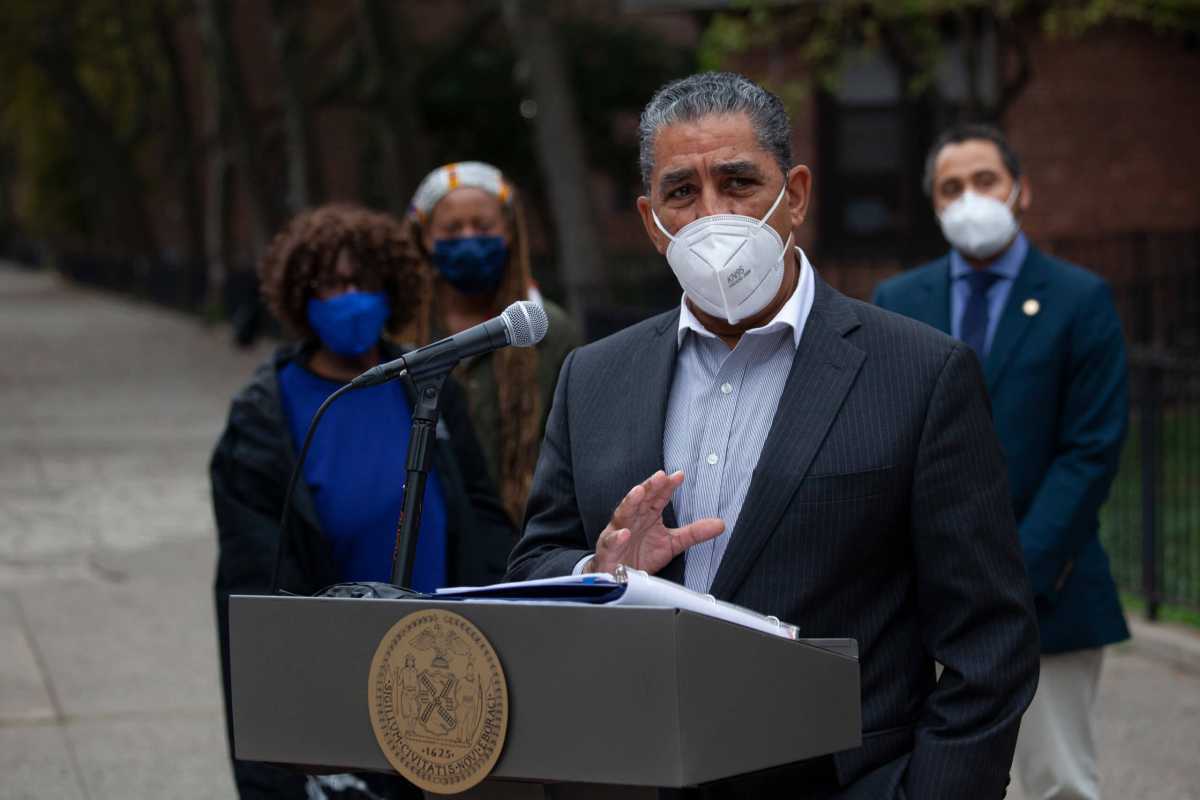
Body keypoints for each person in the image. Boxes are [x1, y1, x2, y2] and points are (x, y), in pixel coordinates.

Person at [505, 72, 1040, 799]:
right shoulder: (594, 376)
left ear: (796, 195)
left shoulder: (918, 373)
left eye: (738, 182)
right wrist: (594, 572)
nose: (712, 214)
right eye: (682, 192)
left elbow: (990, 640)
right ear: (650, 220)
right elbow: (535, 561)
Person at [211, 203, 515, 799]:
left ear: (391, 288)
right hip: (340, 685)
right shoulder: (264, 416)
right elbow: (252, 589)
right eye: (331, 283)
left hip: (449, 671)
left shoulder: (427, 385)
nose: (350, 297)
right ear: (302, 295)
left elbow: (483, 520)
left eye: (364, 281)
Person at [873, 123, 1130, 800]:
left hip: (1051, 593)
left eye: (985, 180)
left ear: (1021, 191)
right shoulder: (898, 301)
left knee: (1057, 783)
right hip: (922, 607)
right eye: (950, 187)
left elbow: (1091, 450)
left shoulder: (1080, 298)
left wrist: (1013, 574)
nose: (969, 198)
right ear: (934, 205)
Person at [407, 162, 582, 525]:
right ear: (425, 237)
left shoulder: (547, 329)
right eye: (452, 229)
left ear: (509, 232)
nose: (469, 238)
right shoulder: (402, 331)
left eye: (483, 226)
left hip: (523, 530)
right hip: (425, 529)